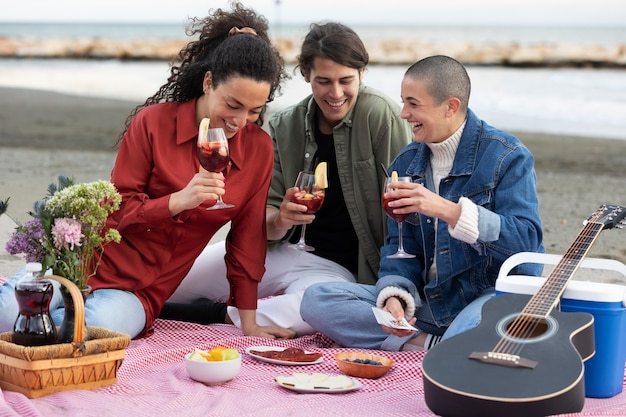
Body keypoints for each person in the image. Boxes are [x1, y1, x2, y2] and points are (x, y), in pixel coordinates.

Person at [0, 2, 291, 339]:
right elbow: (118, 209)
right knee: (8, 316)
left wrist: (249, 322)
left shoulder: (257, 149)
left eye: (255, 111)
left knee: (82, 336)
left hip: (138, 294)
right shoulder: (152, 124)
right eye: (233, 104)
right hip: (80, 264)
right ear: (209, 82)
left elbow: (247, 241)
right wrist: (177, 201)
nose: (240, 122)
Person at [160, 21, 412, 335]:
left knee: (308, 309)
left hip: (343, 272)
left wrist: (398, 285)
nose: (336, 93)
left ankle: (211, 316)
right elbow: (261, 226)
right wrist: (282, 218)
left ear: (362, 74)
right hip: (284, 252)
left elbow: (406, 211)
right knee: (170, 282)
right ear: (306, 75)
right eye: (323, 81)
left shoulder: (380, 115)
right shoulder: (284, 125)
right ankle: (160, 305)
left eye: (346, 80)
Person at [299, 55, 545, 351]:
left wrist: (448, 210)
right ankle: (431, 344)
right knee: (318, 299)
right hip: (430, 304)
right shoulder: (406, 161)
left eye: (413, 104)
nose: (403, 114)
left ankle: (437, 345)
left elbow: (526, 242)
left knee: (474, 332)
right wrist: (396, 295)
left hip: (487, 300)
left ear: (450, 107)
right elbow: (400, 247)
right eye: (403, 102)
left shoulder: (507, 156)